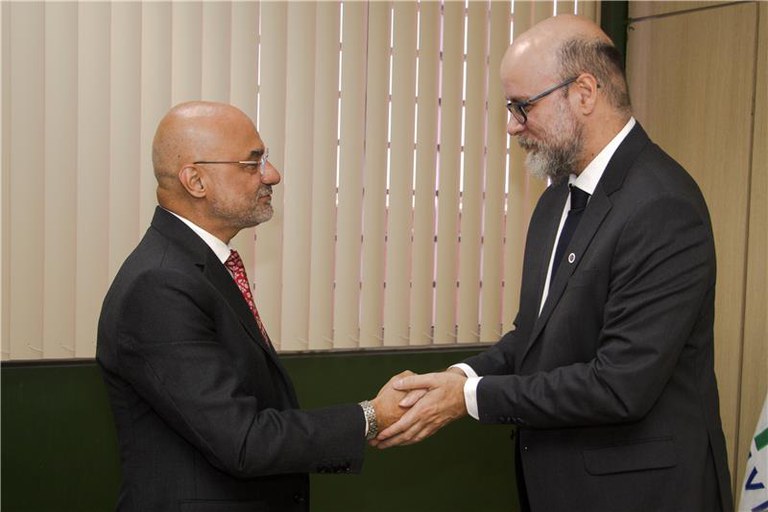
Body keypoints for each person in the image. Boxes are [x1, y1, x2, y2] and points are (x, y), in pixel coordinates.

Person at [373, 14, 733, 512]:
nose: (512, 125)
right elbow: (534, 339)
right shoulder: (556, 200)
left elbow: (619, 386)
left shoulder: (662, 205)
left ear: (584, 93)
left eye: (523, 106)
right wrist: (459, 377)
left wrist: (472, 399)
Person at [97, 101, 408, 512]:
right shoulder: (160, 285)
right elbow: (242, 441)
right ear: (196, 180)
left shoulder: (196, 268)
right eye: (253, 162)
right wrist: (371, 416)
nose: (272, 174)